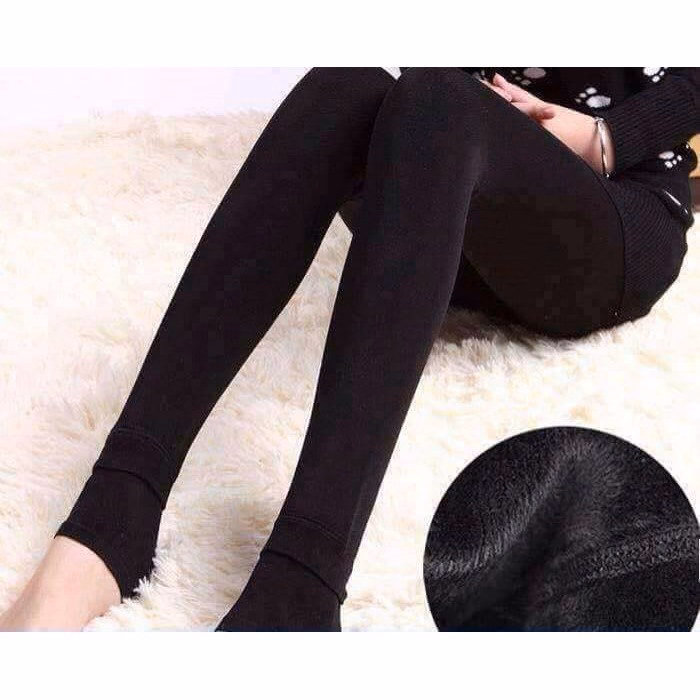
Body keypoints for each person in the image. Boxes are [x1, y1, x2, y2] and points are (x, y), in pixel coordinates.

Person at [1, 67, 698, 631]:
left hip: (611, 212)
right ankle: (112, 517)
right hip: (449, 180)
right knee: (345, 88)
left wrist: (605, 136)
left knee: (441, 101)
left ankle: (302, 582)